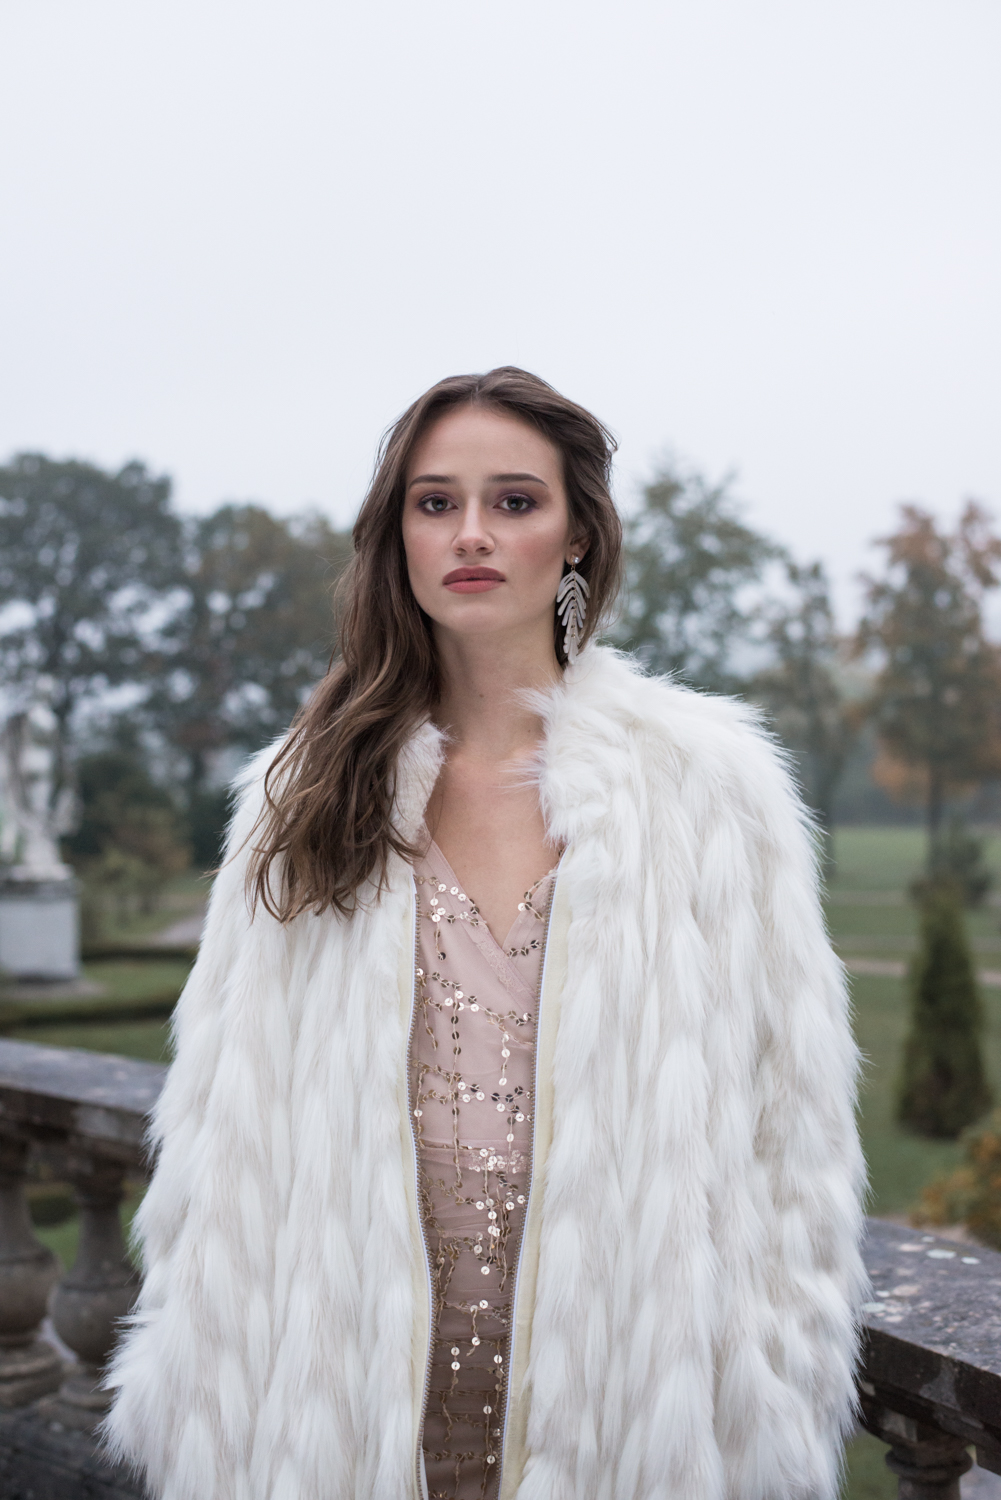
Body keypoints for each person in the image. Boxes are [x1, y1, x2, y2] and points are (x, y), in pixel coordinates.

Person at [105, 368, 866, 1500]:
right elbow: (221, 1143)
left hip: (623, 1421)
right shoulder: (300, 796)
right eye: (433, 502)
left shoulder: (707, 790)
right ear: (396, 538)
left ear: (575, 538)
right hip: (346, 1422)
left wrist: (775, 1403)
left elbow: (791, 1146)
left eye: (513, 501)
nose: (470, 532)